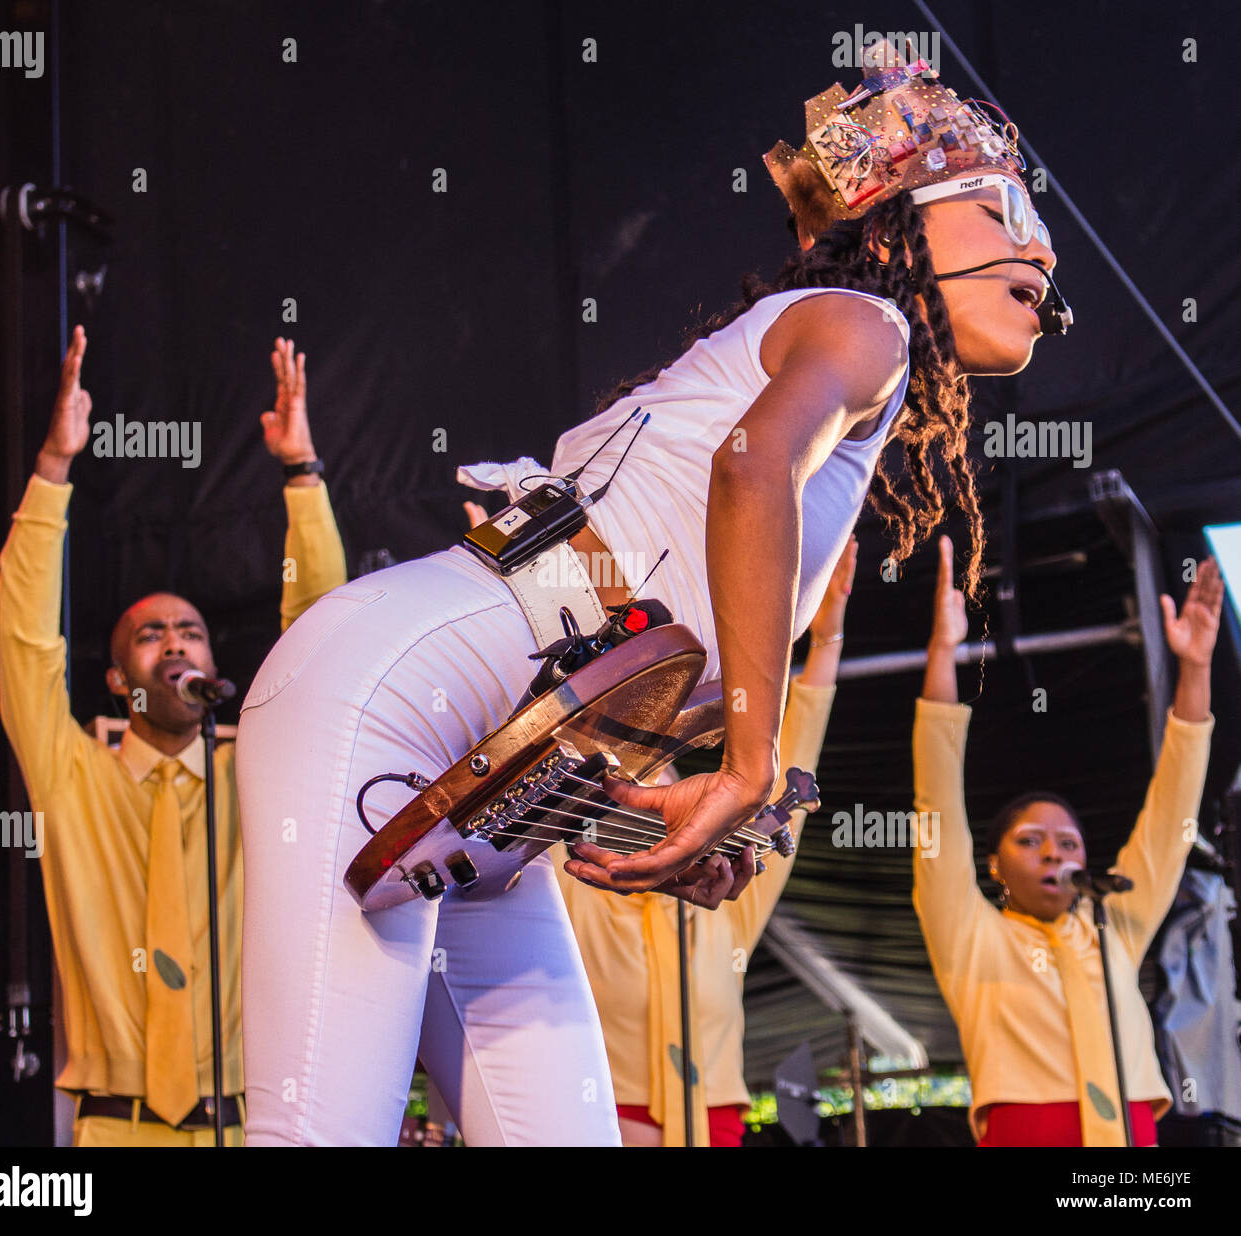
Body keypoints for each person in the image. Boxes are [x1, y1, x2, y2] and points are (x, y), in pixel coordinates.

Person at [235, 41, 1061, 1146]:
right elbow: (748, 467)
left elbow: (606, 653)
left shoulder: (836, 348)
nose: (1040, 245)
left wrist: (666, 815)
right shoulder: (872, 327)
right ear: (899, 220)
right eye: (1002, 207)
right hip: (389, 699)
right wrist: (750, 764)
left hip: (496, 783)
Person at [0, 329, 346, 1146]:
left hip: (246, 1124)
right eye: (152, 635)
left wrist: (301, 473)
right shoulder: (70, 775)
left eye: (190, 629)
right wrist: (53, 471)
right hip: (116, 1131)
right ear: (119, 680)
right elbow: (22, 640)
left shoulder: (252, 770)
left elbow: (319, 642)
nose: (178, 641)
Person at [912, 535, 1220, 1146]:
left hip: (1131, 1133)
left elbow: (1171, 818)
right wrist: (944, 656)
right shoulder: (971, 936)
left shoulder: (1113, 922)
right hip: (1029, 1129)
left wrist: (1196, 670)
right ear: (994, 866)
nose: (1056, 852)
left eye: (1069, 843)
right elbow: (938, 809)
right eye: (1031, 841)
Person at [550, 538, 855, 1146]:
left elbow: (790, 765)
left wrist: (825, 640)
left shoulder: (729, 901)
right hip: (604, 1115)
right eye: (630, 773)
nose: (651, 782)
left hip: (717, 1121)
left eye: (664, 768)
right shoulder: (574, 874)